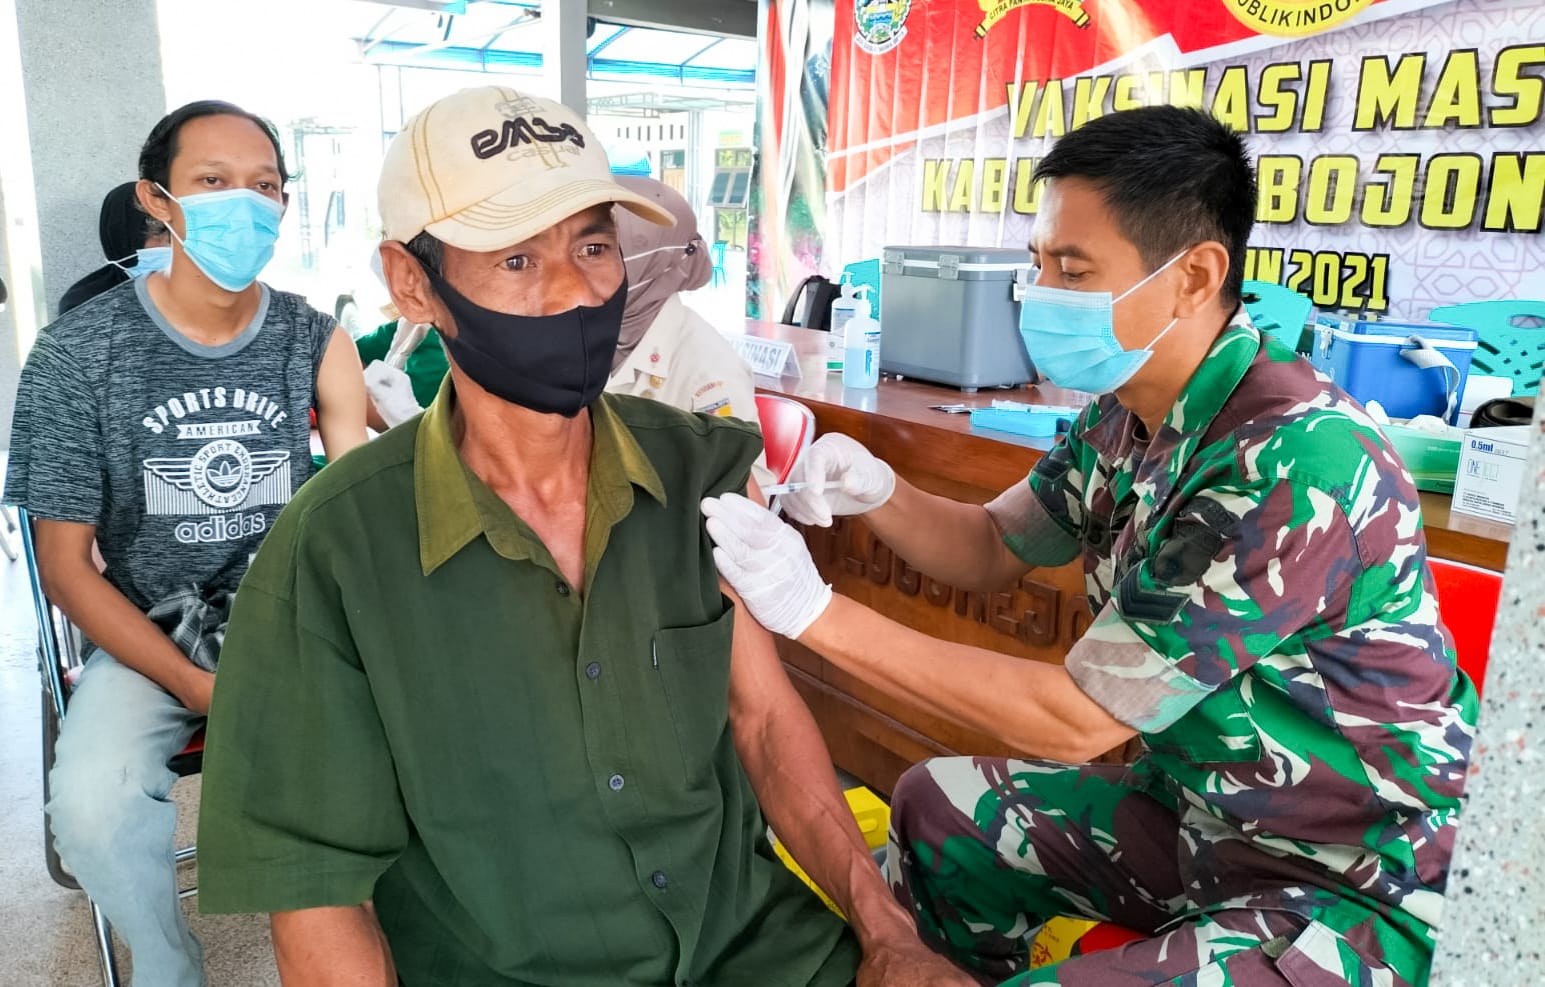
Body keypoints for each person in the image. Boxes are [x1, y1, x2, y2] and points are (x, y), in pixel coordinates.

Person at [196, 85, 967, 987]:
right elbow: (319, 891)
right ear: (413, 282)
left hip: (757, 952)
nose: (573, 292)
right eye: (517, 259)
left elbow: (762, 721)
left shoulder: (698, 474)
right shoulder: (334, 550)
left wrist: (887, 933)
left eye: (593, 245)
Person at [701, 106, 1474, 985]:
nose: (1038, 294)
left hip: (1355, 874)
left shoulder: (1296, 459)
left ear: (1193, 277)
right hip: (1199, 816)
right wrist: (879, 489)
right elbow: (994, 543)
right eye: (1036, 265)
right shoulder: (1125, 414)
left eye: (1071, 269)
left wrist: (812, 611)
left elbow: (1074, 719)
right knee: (936, 807)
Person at [4, 100, 367, 986]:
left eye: (266, 187)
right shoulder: (75, 356)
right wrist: (196, 683)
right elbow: (63, 567)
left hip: (291, 617)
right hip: (148, 630)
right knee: (89, 807)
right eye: (213, 182)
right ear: (158, 200)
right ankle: (170, 962)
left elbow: (361, 509)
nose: (245, 204)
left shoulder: (314, 339)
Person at [58, 181, 171, 314]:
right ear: (124, 238)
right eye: (160, 236)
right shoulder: (83, 306)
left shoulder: (193, 290)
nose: (175, 248)